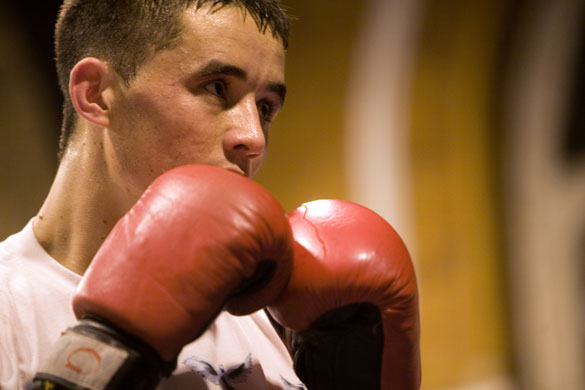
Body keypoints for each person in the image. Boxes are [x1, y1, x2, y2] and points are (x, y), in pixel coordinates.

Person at [0, 1, 304, 389]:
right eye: (216, 88)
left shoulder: (269, 316)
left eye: (265, 107)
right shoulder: (8, 312)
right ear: (96, 94)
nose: (253, 137)